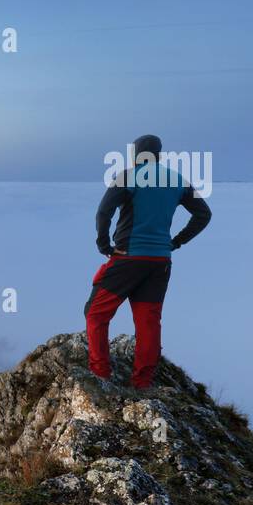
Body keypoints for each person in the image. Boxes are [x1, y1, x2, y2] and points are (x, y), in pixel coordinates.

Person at [84, 134, 211, 388]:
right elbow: (203, 214)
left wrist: (104, 245)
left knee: (95, 313)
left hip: (128, 257)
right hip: (160, 261)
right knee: (148, 321)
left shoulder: (128, 175)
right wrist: (176, 241)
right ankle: (142, 381)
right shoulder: (178, 180)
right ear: (159, 155)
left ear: (135, 154)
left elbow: (103, 212)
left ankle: (100, 374)